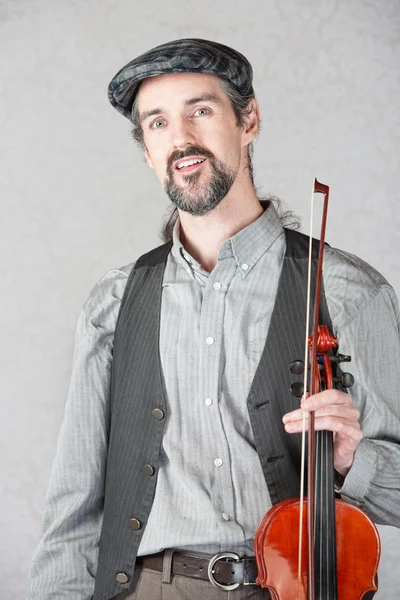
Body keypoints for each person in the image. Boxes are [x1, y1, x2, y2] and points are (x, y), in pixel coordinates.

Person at [28, 38, 400, 600]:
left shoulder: (348, 292)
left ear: (248, 119)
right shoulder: (112, 305)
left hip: (297, 587)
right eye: (157, 123)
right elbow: (72, 509)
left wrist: (355, 459)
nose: (181, 139)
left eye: (200, 111)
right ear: (147, 150)